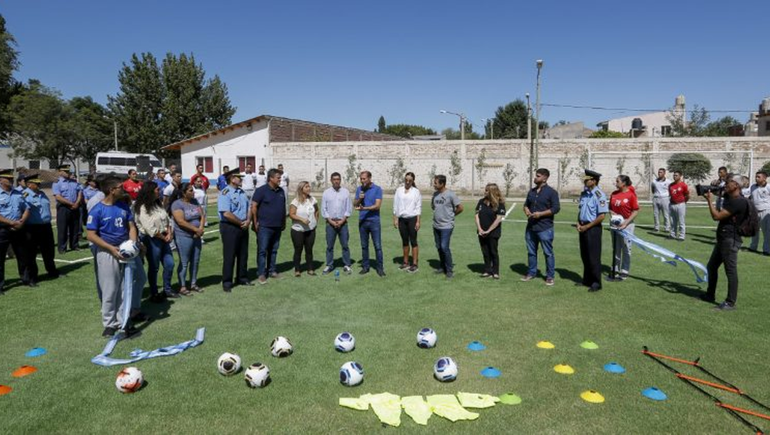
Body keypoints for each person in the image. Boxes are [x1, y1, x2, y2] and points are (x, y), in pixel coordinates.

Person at [86, 176, 139, 337]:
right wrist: (111, 248)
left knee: (125, 288)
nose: (123, 189)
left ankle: (123, 321)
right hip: (107, 252)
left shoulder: (123, 206)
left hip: (125, 252)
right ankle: (109, 324)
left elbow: (131, 227)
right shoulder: (97, 210)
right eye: (120, 187)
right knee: (110, 288)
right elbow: (91, 235)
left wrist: (132, 244)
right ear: (112, 190)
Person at [702, 174, 749, 311]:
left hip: (730, 240)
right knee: (711, 266)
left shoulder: (738, 201)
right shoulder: (731, 198)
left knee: (730, 271)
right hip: (723, 238)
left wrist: (709, 201)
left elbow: (716, 216)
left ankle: (730, 302)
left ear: (736, 185)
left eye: (729, 182)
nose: (726, 184)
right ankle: (710, 295)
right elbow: (721, 191)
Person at [134, 182, 177, 300]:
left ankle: (167, 290)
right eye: (158, 189)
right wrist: (164, 237)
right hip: (151, 239)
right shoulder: (142, 207)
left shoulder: (158, 204)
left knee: (169, 264)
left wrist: (169, 232)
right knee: (154, 267)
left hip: (163, 237)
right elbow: (149, 228)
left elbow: (167, 219)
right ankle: (154, 293)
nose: (160, 191)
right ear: (150, 191)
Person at [522, 168, 560, 285]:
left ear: (544, 178)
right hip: (531, 228)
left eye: (538, 176)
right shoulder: (532, 192)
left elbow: (556, 208)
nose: (535, 177)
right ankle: (532, 272)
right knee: (531, 252)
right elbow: (525, 205)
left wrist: (541, 214)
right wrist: (527, 211)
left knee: (548, 253)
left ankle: (550, 276)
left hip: (545, 228)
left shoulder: (552, 192)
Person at [21, 174, 62, 284]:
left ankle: (52, 271)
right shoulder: (25, 195)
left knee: (48, 250)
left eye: (39, 182)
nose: (39, 184)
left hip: (46, 226)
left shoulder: (42, 194)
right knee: (31, 253)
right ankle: (33, 276)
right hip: (32, 227)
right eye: (36, 183)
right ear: (29, 184)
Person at [219, 169, 252, 292]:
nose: (241, 179)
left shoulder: (241, 192)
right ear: (232, 179)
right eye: (238, 177)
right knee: (230, 255)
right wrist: (241, 223)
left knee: (243, 253)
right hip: (230, 227)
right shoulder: (225, 193)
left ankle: (242, 277)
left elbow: (249, 207)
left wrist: (248, 220)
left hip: (243, 225)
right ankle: (227, 282)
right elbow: (226, 213)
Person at [251, 168, 286, 284]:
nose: (280, 179)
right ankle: (261, 273)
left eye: (280, 177)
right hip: (264, 226)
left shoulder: (281, 191)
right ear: (271, 178)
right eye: (278, 177)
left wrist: (283, 222)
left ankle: (272, 270)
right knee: (262, 250)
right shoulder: (261, 190)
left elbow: (283, 207)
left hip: (277, 226)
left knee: (274, 250)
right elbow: (254, 206)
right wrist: (255, 222)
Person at [577, 169, 608, 292]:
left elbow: (601, 216)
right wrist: (578, 222)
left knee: (593, 256)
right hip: (583, 226)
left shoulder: (599, 195)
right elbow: (581, 210)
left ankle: (596, 282)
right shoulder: (584, 194)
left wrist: (587, 226)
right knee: (584, 255)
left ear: (594, 181)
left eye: (587, 179)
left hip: (593, 229)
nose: (585, 181)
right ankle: (587, 280)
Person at [171, 183, 205, 293]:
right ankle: (182, 286)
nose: (193, 192)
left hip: (197, 236)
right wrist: (196, 230)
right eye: (190, 190)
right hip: (183, 236)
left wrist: (200, 229)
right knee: (184, 262)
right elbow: (180, 221)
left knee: (195, 261)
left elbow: (202, 215)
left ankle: (193, 283)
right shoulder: (177, 204)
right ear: (183, 193)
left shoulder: (195, 202)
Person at [0, 169, 30, 294]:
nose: (11, 181)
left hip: (19, 228)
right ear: (1, 180)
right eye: (8, 179)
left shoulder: (18, 193)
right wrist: (11, 223)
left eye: (12, 179)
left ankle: (25, 279)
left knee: (22, 255)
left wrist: (22, 221)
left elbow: (26, 208)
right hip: (2, 229)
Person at [431, 174, 463, 279]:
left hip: (447, 226)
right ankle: (442, 267)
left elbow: (460, 208)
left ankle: (449, 270)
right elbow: (433, 207)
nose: (434, 184)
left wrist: (452, 215)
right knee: (439, 247)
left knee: (444, 247)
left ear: (442, 183)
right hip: (436, 225)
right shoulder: (435, 194)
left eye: (435, 183)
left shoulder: (450, 195)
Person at [608, 175, 640, 280]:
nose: (615, 183)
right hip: (615, 225)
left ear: (624, 183)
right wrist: (614, 216)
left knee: (626, 248)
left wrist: (626, 222)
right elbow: (610, 208)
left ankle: (625, 270)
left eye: (617, 181)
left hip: (627, 225)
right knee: (616, 247)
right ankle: (615, 269)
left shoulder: (631, 195)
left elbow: (635, 210)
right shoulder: (613, 194)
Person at [354, 171, 385, 277]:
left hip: (374, 221)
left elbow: (377, 206)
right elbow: (355, 204)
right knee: (364, 246)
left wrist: (364, 208)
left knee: (377, 246)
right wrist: (360, 199)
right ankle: (365, 267)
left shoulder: (377, 189)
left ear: (369, 178)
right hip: (362, 221)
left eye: (364, 179)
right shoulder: (359, 189)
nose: (362, 181)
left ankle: (380, 268)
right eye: (361, 179)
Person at [321, 172, 352, 275]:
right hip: (330, 223)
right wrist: (331, 221)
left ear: (340, 180)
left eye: (338, 179)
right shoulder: (326, 193)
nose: (336, 181)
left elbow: (348, 209)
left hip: (343, 223)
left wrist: (342, 220)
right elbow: (324, 210)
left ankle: (347, 264)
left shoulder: (346, 192)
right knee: (330, 246)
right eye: (334, 179)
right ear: (331, 180)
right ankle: (329, 265)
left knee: (345, 245)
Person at [393, 172, 422, 272]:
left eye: (410, 180)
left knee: (413, 241)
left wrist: (418, 221)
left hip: (412, 219)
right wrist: (395, 218)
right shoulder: (399, 190)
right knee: (405, 241)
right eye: (406, 180)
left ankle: (414, 263)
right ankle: (405, 262)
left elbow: (418, 207)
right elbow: (395, 205)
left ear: (413, 181)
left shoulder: (416, 192)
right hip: (402, 219)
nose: (407, 182)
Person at [475, 183, 505, 280]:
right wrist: (480, 229)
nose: (485, 192)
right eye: (485, 190)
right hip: (481, 232)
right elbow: (476, 215)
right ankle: (487, 270)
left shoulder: (500, 203)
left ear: (492, 192)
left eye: (487, 190)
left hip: (493, 233)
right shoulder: (481, 201)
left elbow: (498, 219)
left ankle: (495, 272)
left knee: (493, 252)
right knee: (485, 252)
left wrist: (488, 230)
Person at [289, 181, 319, 276]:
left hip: (310, 230)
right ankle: (297, 270)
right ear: (301, 189)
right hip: (298, 230)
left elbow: (317, 211)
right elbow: (291, 214)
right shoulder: (295, 201)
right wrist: (302, 219)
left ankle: (310, 269)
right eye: (306, 187)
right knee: (298, 250)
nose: (309, 188)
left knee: (309, 250)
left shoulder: (312, 200)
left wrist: (315, 222)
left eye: (309, 186)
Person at [53, 164, 82, 254]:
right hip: (64, 208)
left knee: (75, 227)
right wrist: (70, 204)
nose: (67, 173)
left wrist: (77, 203)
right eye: (65, 171)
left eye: (68, 171)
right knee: (63, 228)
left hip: (75, 207)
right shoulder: (57, 183)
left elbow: (79, 192)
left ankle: (74, 245)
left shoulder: (74, 182)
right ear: (60, 172)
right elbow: (58, 197)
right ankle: (62, 248)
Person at [749, 170, 770, 255]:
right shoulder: (753, 187)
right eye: (756, 176)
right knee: (754, 230)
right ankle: (753, 247)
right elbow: (751, 197)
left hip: (766, 211)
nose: (756, 178)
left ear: (764, 178)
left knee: (767, 232)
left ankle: (767, 250)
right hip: (755, 211)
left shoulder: (768, 187)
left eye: (759, 177)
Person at [668, 170, 689, 241]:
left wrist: (683, 202)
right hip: (672, 204)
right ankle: (673, 234)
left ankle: (681, 236)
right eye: (674, 175)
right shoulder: (671, 185)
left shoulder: (683, 185)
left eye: (676, 175)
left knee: (681, 221)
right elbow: (670, 194)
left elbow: (687, 195)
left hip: (680, 204)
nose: (674, 176)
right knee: (673, 221)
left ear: (680, 176)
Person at [650, 168, 671, 233]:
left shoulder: (668, 182)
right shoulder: (654, 181)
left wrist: (667, 196)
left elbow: (670, 190)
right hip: (656, 198)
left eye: (661, 172)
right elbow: (653, 190)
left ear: (664, 173)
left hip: (665, 199)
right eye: (659, 172)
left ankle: (667, 227)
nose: (659, 173)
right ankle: (656, 227)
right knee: (656, 214)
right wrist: (656, 195)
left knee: (665, 214)